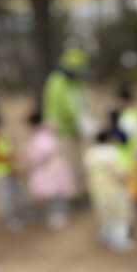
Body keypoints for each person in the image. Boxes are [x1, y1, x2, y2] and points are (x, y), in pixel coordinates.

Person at [42, 48, 97, 198]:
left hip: (80, 128)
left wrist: (90, 108)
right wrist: (51, 121)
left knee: (82, 161)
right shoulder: (56, 80)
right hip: (64, 130)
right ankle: (75, 194)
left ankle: (86, 190)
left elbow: (85, 97)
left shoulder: (78, 82)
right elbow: (52, 103)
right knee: (70, 163)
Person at [83, 130, 134, 252]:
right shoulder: (111, 152)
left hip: (96, 188)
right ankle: (118, 240)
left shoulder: (90, 152)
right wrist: (126, 180)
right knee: (119, 213)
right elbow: (119, 171)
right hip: (113, 188)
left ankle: (106, 236)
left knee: (104, 212)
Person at [24, 111, 75, 229]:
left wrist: (31, 157)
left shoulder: (42, 134)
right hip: (51, 167)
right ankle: (56, 214)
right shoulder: (46, 132)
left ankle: (59, 215)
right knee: (53, 194)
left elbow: (44, 151)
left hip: (50, 169)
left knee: (54, 194)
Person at [114, 86, 137, 203]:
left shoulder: (130, 115)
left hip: (128, 152)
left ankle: (133, 201)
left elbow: (125, 135)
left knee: (130, 179)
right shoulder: (126, 114)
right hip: (124, 152)